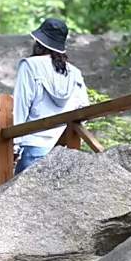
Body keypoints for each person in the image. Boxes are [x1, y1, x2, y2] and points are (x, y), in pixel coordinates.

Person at [11, 17, 87, 175]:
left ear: (39, 42)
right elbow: (84, 110)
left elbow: (21, 105)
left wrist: (14, 144)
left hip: (34, 146)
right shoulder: (74, 73)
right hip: (65, 153)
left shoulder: (30, 66)